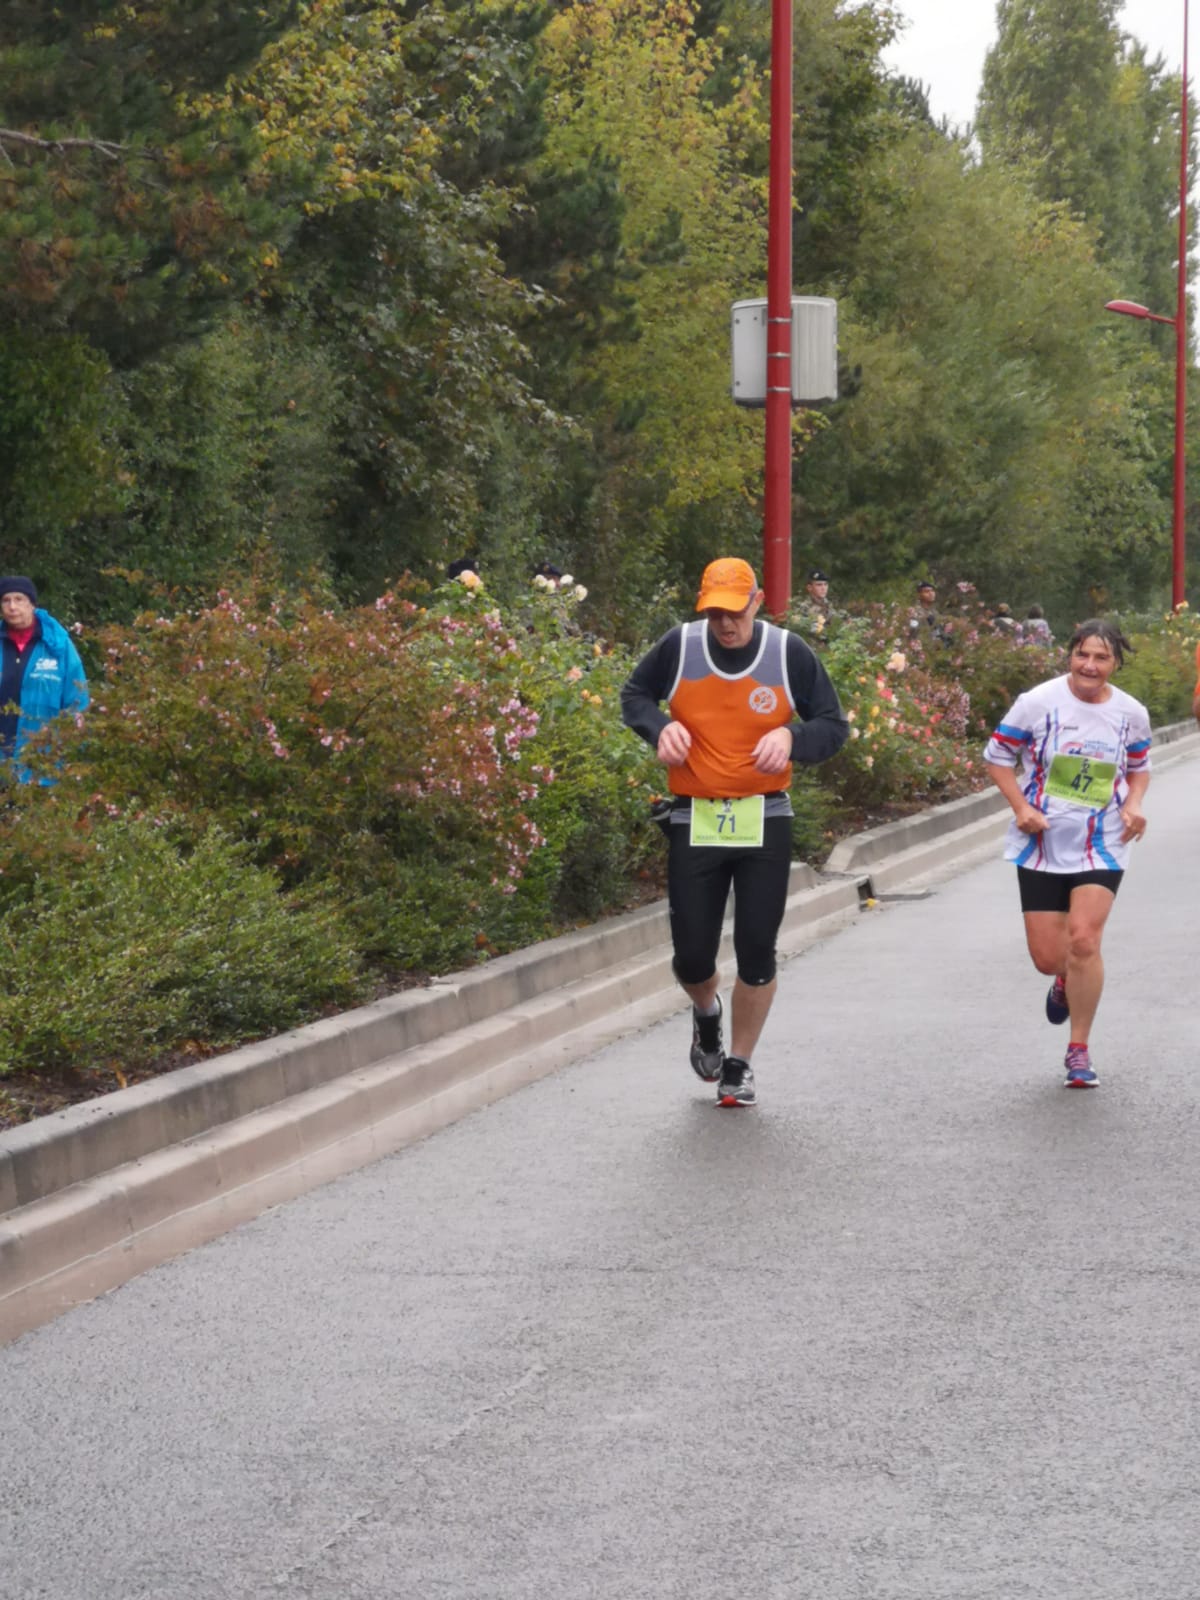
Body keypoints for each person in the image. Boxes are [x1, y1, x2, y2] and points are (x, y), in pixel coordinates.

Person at [620, 557, 849, 1108]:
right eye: (715, 613)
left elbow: (833, 725)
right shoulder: (680, 646)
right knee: (693, 955)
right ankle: (705, 1012)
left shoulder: (788, 652)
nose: (726, 625)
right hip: (695, 815)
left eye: (736, 611)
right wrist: (661, 727)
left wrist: (793, 738)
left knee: (756, 948)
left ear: (758, 601)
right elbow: (634, 696)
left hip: (763, 815)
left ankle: (739, 1065)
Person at [983, 619, 1150, 1089]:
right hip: (1042, 844)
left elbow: (1139, 767)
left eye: (1101, 658)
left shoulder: (1131, 712)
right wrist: (1021, 807)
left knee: (1084, 941)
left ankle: (1078, 1049)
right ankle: (1064, 981)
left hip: (1103, 841)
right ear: (1069, 655)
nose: (1089, 666)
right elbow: (997, 756)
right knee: (1047, 957)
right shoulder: (1036, 703)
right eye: (1082, 655)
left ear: (1116, 663)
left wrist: (1134, 805)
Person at [0, 577, 88, 784]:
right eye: (6, 600)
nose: (12, 606)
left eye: (19, 599)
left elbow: (77, 700)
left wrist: (74, 752)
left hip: (43, 761)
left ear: (32, 604)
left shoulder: (57, 645)